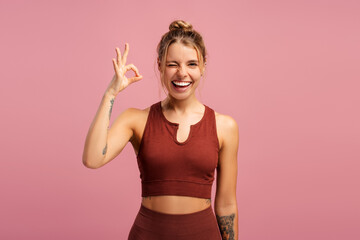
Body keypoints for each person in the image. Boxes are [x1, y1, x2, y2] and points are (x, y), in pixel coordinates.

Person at [82, 20, 239, 240]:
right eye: (172, 64)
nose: (182, 73)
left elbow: (227, 204)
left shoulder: (225, 127)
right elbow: (92, 159)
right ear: (160, 66)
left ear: (203, 66)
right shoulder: (136, 119)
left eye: (192, 64)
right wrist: (110, 94)